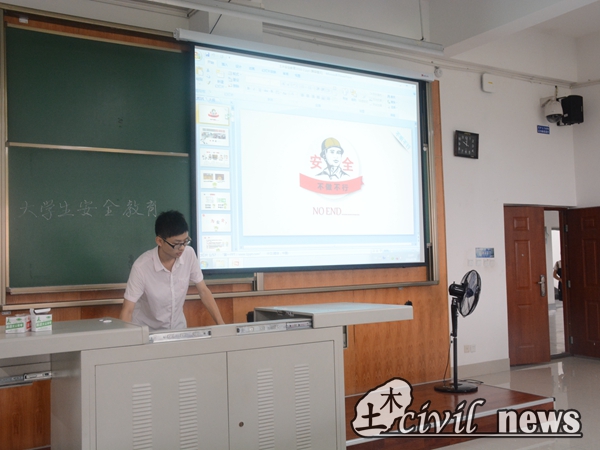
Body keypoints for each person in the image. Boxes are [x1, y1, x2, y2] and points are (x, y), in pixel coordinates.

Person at [119, 210, 225, 330]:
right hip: (147, 332)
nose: (182, 248)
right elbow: (127, 310)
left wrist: (222, 326)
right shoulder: (141, 267)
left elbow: (204, 291)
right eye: (177, 243)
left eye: (185, 241)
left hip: (178, 330)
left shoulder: (189, 254)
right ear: (160, 241)